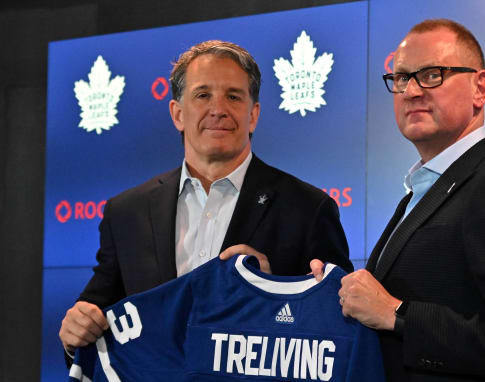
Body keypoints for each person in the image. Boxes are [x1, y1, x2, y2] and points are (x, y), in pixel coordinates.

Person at [312, 19, 485, 382]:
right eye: (400, 78)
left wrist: (397, 313)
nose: (411, 90)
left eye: (432, 75)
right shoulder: (427, 188)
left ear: (480, 88)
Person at [59, 40, 352, 361]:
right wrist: (76, 331)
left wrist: (269, 293)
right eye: (202, 95)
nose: (218, 109)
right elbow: (96, 313)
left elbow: (336, 329)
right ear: (177, 113)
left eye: (233, 96)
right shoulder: (126, 213)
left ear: (253, 115)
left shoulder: (308, 208)